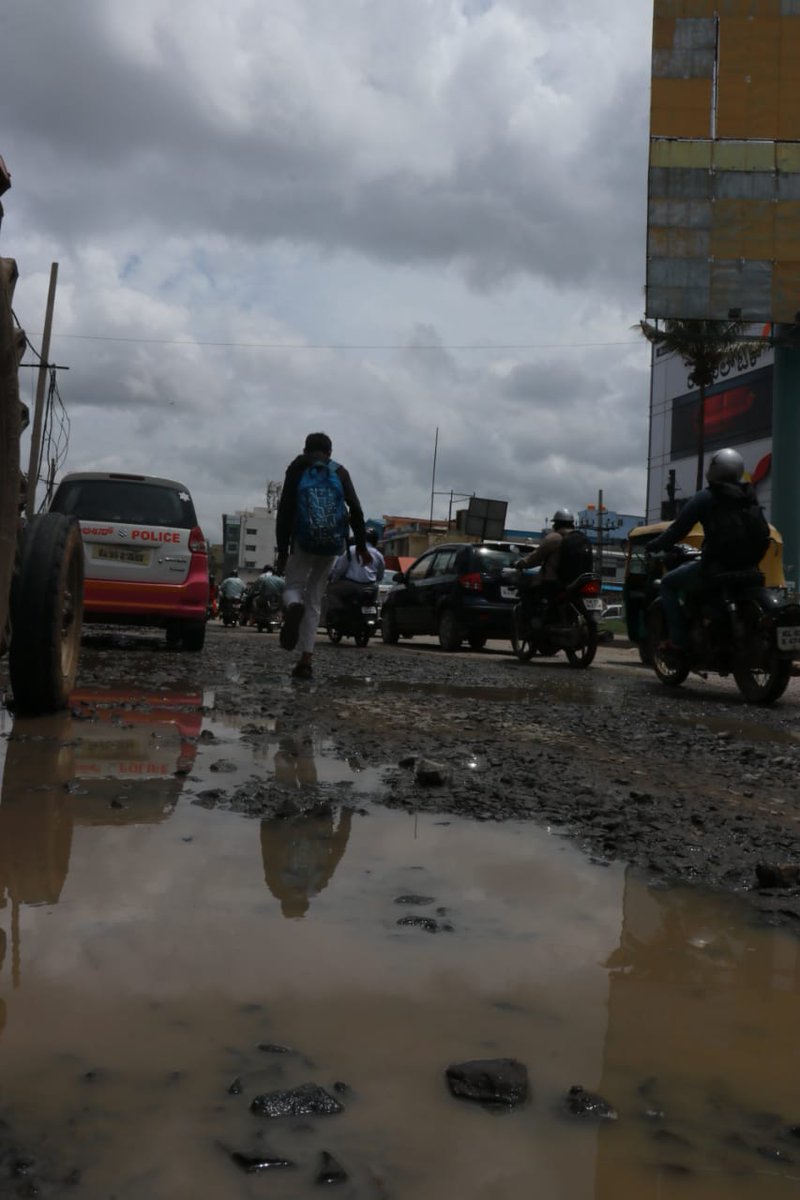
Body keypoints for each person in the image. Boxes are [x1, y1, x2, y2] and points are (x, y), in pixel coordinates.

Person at [646, 447, 770, 653]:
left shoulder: (706, 497)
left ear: (714, 469)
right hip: (750, 568)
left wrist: (655, 544)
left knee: (667, 584)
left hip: (716, 568)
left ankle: (678, 641)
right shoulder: (748, 495)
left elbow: (678, 529)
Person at [276, 432, 369, 679]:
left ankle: (294, 606)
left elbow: (285, 510)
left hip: (303, 542)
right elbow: (357, 509)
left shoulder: (297, 468)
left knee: (293, 588)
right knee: (315, 600)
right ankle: (306, 659)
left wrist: (282, 550)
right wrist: (361, 545)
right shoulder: (340, 472)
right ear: (330, 452)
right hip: (332, 545)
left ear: (306, 449)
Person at [515, 509, 578, 619]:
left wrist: (522, 563)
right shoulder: (579, 538)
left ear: (557, 523)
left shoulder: (554, 538)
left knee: (526, 589)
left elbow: (536, 557)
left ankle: (534, 620)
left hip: (554, 581)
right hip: (576, 581)